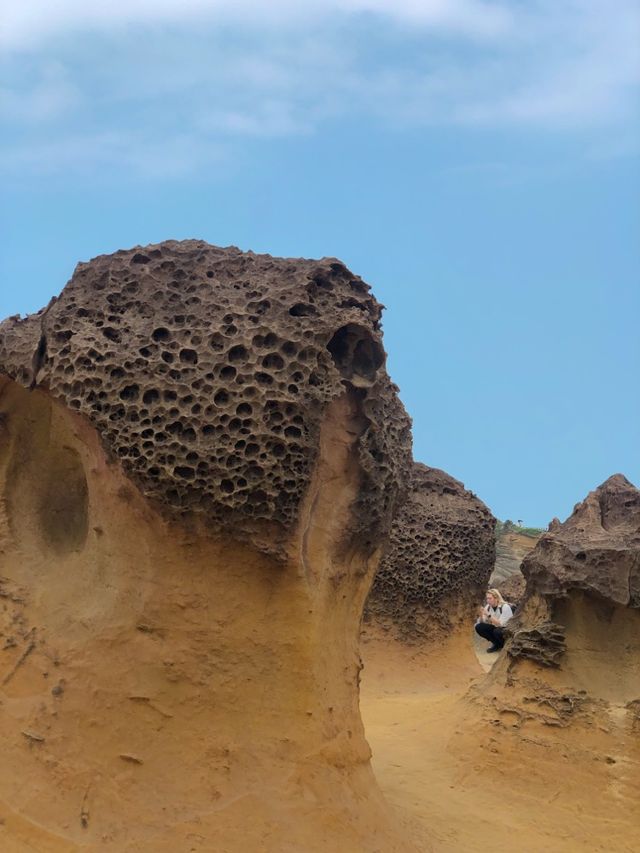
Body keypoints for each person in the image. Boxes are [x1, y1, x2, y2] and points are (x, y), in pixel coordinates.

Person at [475, 588, 513, 653]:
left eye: (490, 598)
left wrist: (488, 614)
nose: (488, 600)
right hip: (496, 628)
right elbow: (482, 622)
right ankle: (497, 644)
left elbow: (501, 624)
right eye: (487, 598)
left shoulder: (505, 607)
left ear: (496, 598)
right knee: (479, 627)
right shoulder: (488, 607)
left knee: (497, 631)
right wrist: (481, 615)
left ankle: (505, 646)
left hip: (507, 631)